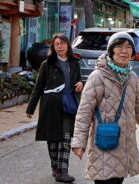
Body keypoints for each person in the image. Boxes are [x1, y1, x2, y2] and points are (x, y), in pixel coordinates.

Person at [71, 32, 139, 184]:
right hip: (104, 144)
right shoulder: (98, 77)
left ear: (133, 53)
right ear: (111, 51)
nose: (124, 51)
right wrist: (78, 142)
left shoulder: (132, 78)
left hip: (124, 147)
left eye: (128, 47)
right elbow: (84, 112)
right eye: (119, 47)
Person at [26, 34, 83, 183]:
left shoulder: (74, 63)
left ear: (68, 45)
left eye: (62, 43)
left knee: (65, 138)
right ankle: (55, 168)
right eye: (56, 44)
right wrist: (30, 108)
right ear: (53, 46)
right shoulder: (47, 64)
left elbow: (78, 80)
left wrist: (80, 84)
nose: (59, 46)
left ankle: (63, 171)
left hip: (68, 105)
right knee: (52, 140)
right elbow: (38, 87)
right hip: (50, 106)